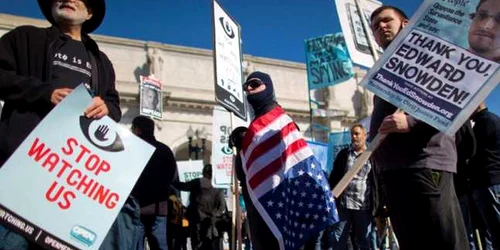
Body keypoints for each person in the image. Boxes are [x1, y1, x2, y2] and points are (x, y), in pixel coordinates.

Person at [0, 0, 121, 248]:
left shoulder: (101, 61)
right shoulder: (25, 38)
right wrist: (45, 93)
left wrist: (106, 108)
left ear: (90, 13)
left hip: (71, 179)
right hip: (24, 171)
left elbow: (114, 105)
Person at [369, 6, 468, 250]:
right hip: (393, 171)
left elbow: (455, 100)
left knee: (444, 241)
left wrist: (411, 122)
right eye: (374, 26)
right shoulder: (385, 69)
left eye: (385, 21)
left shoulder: (431, 57)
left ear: (405, 23)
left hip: (424, 164)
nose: (380, 27)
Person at [130, 116, 178, 250]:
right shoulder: (165, 150)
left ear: (138, 130)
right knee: (160, 245)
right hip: (159, 207)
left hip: (137, 207)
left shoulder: (133, 148)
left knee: (135, 244)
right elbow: (173, 178)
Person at [230, 126, 280, 250]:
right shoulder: (246, 156)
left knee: (261, 236)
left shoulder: (243, 157)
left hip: (258, 200)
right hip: (258, 200)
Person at [328, 124, 374, 250]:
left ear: (365, 136)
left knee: (364, 240)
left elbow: (378, 179)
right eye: (352, 134)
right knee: (338, 238)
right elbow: (334, 177)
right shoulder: (344, 155)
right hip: (344, 206)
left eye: (357, 134)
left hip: (363, 207)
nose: (354, 137)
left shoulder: (372, 155)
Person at [468, 103, 500, 249]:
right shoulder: (492, 119)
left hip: (488, 181)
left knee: (495, 228)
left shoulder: (484, 122)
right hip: (490, 181)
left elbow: (473, 152)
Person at [175, 164, 226, 250]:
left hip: (197, 222)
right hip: (209, 224)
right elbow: (222, 208)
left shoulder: (196, 182)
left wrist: (171, 181)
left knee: (197, 246)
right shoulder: (218, 187)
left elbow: (182, 186)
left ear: (203, 173)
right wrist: (214, 215)